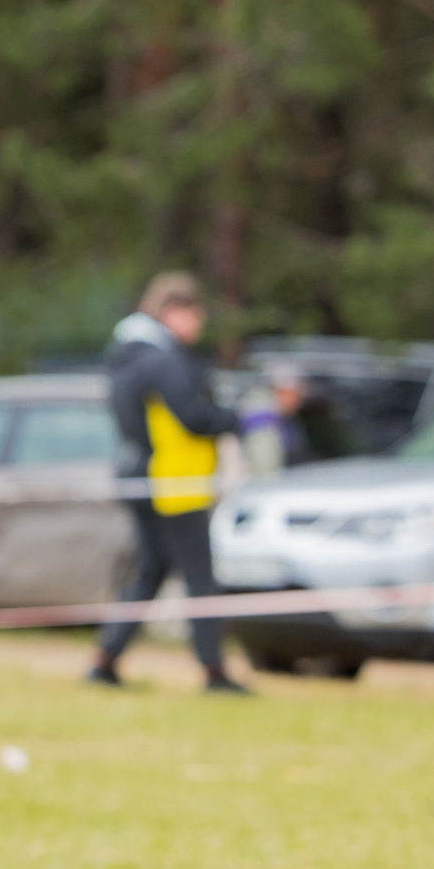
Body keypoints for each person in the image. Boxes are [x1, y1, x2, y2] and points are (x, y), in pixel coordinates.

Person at [87, 272, 250, 694]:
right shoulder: (164, 360)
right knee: (199, 574)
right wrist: (236, 419)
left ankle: (105, 660)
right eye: (196, 317)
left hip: (138, 475)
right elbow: (194, 417)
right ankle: (214, 672)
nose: (198, 328)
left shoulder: (125, 356)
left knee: (151, 571)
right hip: (174, 481)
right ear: (174, 311)